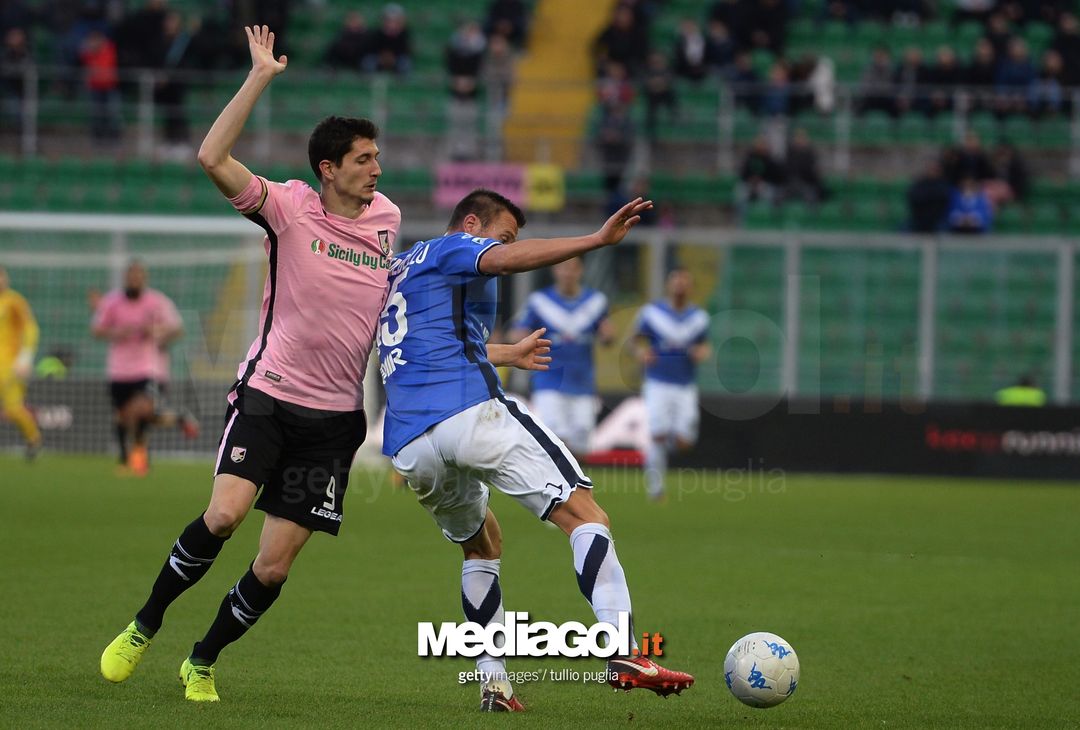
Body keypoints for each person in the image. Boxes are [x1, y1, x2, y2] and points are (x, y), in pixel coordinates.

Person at [99, 26, 401, 703]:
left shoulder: (387, 218)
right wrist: (260, 74)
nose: (376, 168)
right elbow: (211, 155)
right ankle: (144, 625)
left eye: (377, 156)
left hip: (336, 422)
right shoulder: (289, 207)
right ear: (330, 168)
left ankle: (202, 660)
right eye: (363, 158)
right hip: (270, 394)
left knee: (274, 565)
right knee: (226, 517)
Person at [379, 189, 695, 712]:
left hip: (411, 443)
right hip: (468, 412)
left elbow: (423, 344)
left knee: (482, 545)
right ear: (472, 223)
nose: (504, 252)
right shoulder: (454, 245)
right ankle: (624, 653)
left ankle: (494, 686)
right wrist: (595, 240)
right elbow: (497, 259)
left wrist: (505, 352)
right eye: (502, 237)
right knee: (584, 513)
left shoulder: (401, 268)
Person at [91, 260, 197, 476]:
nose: (134, 281)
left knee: (142, 410)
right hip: (119, 369)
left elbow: (177, 329)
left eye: (138, 277)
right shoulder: (112, 302)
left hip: (149, 368)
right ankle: (127, 458)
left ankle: (137, 459)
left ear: (144, 279)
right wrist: (117, 333)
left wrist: (157, 331)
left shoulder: (157, 302)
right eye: (131, 277)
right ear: (126, 279)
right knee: (122, 415)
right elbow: (97, 330)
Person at [509, 257, 614, 457]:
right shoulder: (540, 302)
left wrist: (607, 334)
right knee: (554, 437)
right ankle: (558, 485)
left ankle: (572, 483)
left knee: (582, 447)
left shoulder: (595, 302)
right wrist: (524, 337)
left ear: (580, 271)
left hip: (582, 382)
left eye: (572, 268)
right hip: (549, 380)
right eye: (563, 268)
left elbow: (608, 336)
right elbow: (516, 333)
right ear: (555, 271)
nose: (567, 273)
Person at [634, 268, 711, 502]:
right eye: (676, 280)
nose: (679, 286)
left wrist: (702, 352)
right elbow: (635, 342)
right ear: (668, 285)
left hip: (685, 384)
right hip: (657, 382)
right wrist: (642, 352)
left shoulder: (699, 318)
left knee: (684, 441)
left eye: (684, 282)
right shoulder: (652, 313)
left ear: (690, 287)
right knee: (657, 433)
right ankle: (656, 490)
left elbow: (705, 345)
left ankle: (666, 439)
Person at [0, 265, 42, 460]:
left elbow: (31, 329)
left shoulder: (14, 302)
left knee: (13, 408)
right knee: (13, 408)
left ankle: (34, 438)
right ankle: (34, 438)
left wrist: (25, 357)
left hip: (9, 365)